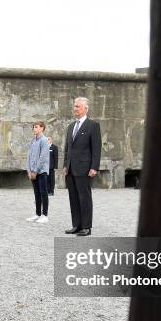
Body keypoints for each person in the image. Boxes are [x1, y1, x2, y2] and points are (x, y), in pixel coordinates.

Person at [63, 97, 101, 236]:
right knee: (73, 197)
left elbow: (96, 148)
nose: (75, 109)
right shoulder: (71, 126)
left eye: (78, 106)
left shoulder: (93, 125)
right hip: (71, 168)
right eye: (74, 106)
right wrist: (65, 165)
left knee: (84, 197)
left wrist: (94, 167)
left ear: (86, 108)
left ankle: (86, 226)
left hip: (85, 168)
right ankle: (76, 225)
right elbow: (67, 148)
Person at [26, 121, 50, 223]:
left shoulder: (44, 141)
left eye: (36, 127)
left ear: (42, 128)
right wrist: (29, 170)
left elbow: (42, 157)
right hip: (32, 171)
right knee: (36, 193)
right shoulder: (32, 141)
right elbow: (28, 156)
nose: (34, 129)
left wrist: (35, 170)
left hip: (41, 172)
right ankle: (37, 214)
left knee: (43, 193)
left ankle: (44, 215)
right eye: (33, 127)